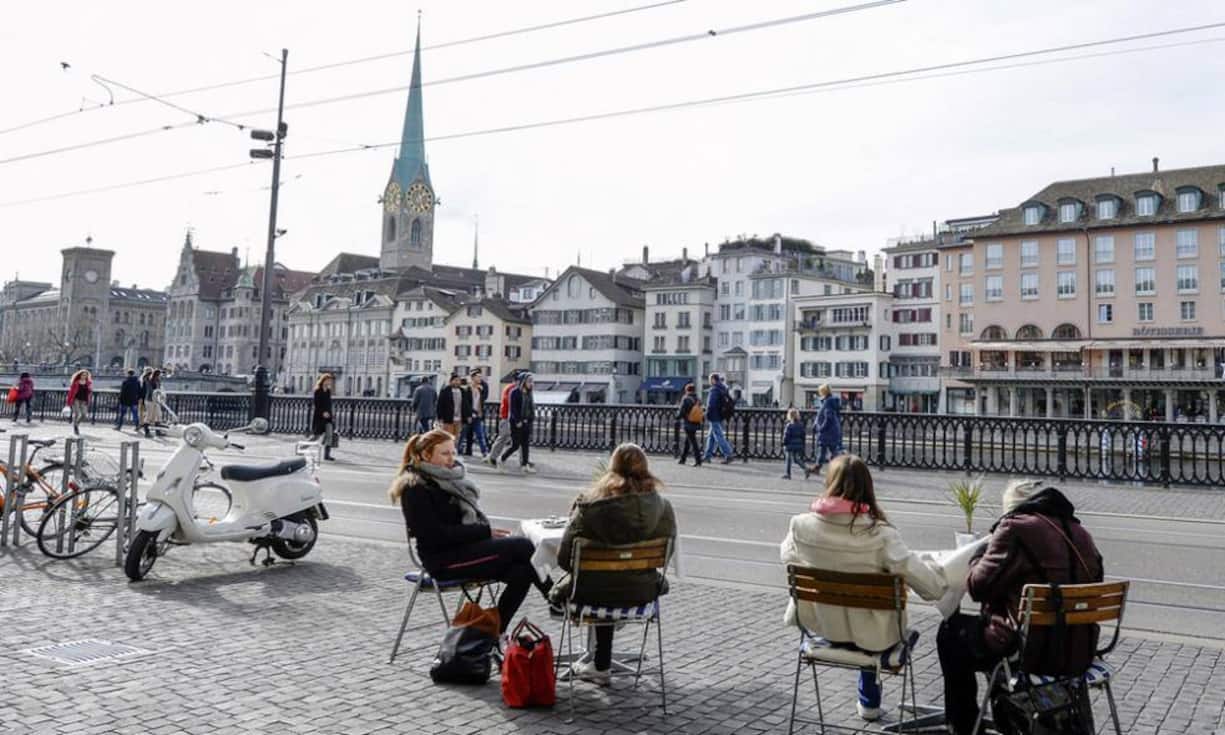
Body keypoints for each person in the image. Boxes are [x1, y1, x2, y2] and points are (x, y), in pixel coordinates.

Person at [780, 454, 947, 722]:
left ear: (830, 484)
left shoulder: (800, 525)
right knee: (871, 625)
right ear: (868, 487)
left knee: (857, 615)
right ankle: (869, 703)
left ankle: (868, 701)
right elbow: (930, 587)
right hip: (874, 639)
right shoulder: (880, 534)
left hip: (824, 628)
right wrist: (938, 578)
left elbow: (787, 557)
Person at [937, 480, 1103, 735]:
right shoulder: (1081, 533)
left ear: (1011, 509)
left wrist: (978, 554)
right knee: (985, 633)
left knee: (952, 633)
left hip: (1034, 652)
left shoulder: (1015, 528)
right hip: (1080, 652)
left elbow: (978, 587)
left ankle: (965, 727)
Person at [389, 429, 547, 634]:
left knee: (522, 572)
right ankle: (557, 598)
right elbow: (435, 536)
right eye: (444, 453)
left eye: (453, 452)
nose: (451, 459)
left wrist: (482, 535)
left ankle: (492, 634)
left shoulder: (449, 480)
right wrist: (483, 533)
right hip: (442, 560)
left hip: (463, 549)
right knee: (522, 545)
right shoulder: (415, 487)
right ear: (424, 455)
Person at [551, 443, 677, 685]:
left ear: (612, 469)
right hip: (641, 594)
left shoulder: (589, 507)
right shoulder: (662, 508)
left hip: (592, 595)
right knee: (615, 576)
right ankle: (601, 663)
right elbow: (666, 556)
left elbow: (565, 560)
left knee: (602, 579)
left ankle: (600, 664)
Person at [499, 372, 536, 474]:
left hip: (527, 421)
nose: (531, 383)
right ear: (523, 381)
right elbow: (513, 408)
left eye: (532, 381)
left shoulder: (529, 393)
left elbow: (531, 407)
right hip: (516, 422)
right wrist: (518, 421)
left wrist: (531, 419)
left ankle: (524, 465)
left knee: (525, 444)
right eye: (529, 381)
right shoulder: (515, 392)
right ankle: (502, 459)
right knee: (515, 445)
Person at [805, 384, 842, 478]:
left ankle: (836, 469)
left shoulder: (828, 402)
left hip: (827, 432)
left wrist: (821, 428)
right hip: (833, 431)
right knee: (832, 450)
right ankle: (838, 468)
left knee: (824, 450)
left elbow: (828, 418)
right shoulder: (831, 401)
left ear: (823, 392)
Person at [486, 372, 519, 467]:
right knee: (503, 438)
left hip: (507, 417)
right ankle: (492, 457)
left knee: (506, 439)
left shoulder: (510, 388)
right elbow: (510, 405)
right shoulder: (511, 389)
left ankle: (493, 457)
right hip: (507, 417)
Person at [702, 373, 735, 464]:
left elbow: (711, 404)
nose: (709, 381)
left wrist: (706, 414)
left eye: (710, 379)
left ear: (713, 379)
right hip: (720, 415)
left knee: (719, 436)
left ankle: (728, 454)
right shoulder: (723, 388)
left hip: (714, 415)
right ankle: (707, 456)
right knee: (711, 437)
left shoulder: (714, 390)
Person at [462, 368, 490, 459]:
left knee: (480, 434)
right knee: (464, 434)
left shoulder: (481, 387)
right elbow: (466, 403)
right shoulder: (468, 389)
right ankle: (461, 450)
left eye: (480, 377)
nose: (480, 379)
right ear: (473, 378)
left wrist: (480, 411)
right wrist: (469, 414)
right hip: (470, 415)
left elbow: (482, 400)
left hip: (478, 415)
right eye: (478, 377)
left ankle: (485, 452)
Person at [436, 374, 471, 438]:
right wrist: (440, 417)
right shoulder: (445, 391)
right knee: (448, 437)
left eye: (458, 380)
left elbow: (466, 404)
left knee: (456, 437)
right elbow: (440, 404)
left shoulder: (462, 391)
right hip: (448, 418)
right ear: (451, 381)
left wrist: (468, 415)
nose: (457, 382)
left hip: (459, 419)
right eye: (455, 380)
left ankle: (454, 448)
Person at [676, 383, 703, 467]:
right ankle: (683, 459)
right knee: (688, 441)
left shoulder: (686, 398)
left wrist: (677, 417)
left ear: (687, 390)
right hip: (696, 422)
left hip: (688, 422)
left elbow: (682, 411)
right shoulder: (698, 399)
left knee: (693, 442)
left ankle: (698, 460)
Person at [311, 373, 336, 461]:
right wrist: (323, 413)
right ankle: (302, 447)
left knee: (329, 435)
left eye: (330, 380)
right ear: (323, 380)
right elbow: (316, 404)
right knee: (316, 436)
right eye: (328, 380)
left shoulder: (328, 391)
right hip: (319, 417)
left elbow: (329, 404)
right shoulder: (317, 390)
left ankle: (326, 455)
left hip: (328, 417)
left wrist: (331, 414)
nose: (329, 382)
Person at [65, 369, 92, 435]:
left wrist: (89, 391)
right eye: (83, 375)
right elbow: (70, 392)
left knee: (84, 415)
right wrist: (68, 402)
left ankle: (76, 425)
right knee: (76, 413)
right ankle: (76, 428)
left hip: (84, 400)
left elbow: (89, 392)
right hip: (76, 399)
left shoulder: (88, 383)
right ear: (80, 375)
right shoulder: (76, 382)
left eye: (85, 375)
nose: (84, 376)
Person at [782, 408, 806, 480]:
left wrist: (784, 442)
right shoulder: (801, 425)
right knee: (796, 459)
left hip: (790, 445)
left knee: (788, 459)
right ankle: (806, 469)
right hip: (798, 444)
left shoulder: (789, 425)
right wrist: (802, 443)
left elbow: (786, 436)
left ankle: (788, 474)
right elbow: (803, 435)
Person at [140, 368, 163, 438]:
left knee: (158, 415)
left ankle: (158, 431)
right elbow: (150, 391)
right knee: (149, 416)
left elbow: (159, 389)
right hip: (150, 400)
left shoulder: (158, 380)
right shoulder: (149, 380)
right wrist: (157, 393)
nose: (160, 376)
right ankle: (147, 432)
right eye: (159, 375)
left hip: (156, 400)